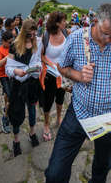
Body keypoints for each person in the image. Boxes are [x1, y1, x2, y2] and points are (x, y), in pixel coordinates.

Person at [45, 3, 111, 183]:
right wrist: (78, 75)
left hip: (110, 118)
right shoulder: (76, 39)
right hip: (79, 113)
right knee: (55, 173)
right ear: (95, 22)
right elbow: (61, 67)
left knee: (101, 167)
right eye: (105, 33)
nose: (109, 39)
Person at [6, 19, 42, 156]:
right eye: (29, 35)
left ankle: (32, 133)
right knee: (16, 112)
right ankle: (16, 140)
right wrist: (16, 71)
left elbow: (38, 61)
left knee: (32, 109)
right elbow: (8, 67)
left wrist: (37, 67)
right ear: (23, 33)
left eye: (33, 34)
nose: (32, 37)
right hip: (18, 84)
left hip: (32, 82)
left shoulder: (36, 43)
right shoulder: (14, 46)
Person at [40, 11, 67, 141]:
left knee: (60, 98)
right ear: (57, 23)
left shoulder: (66, 33)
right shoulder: (46, 36)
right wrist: (51, 64)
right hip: (49, 74)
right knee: (48, 100)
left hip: (62, 74)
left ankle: (58, 118)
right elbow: (41, 55)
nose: (65, 23)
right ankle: (46, 124)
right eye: (63, 21)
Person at [0, 31, 13, 134]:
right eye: (9, 42)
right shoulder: (0, 51)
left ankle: (6, 107)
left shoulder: (12, 47)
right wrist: (8, 57)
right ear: (3, 41)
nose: (11, 44)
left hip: (12, 75)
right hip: (4, 76)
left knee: (7, 94)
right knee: (11, 97)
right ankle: (5, 118)